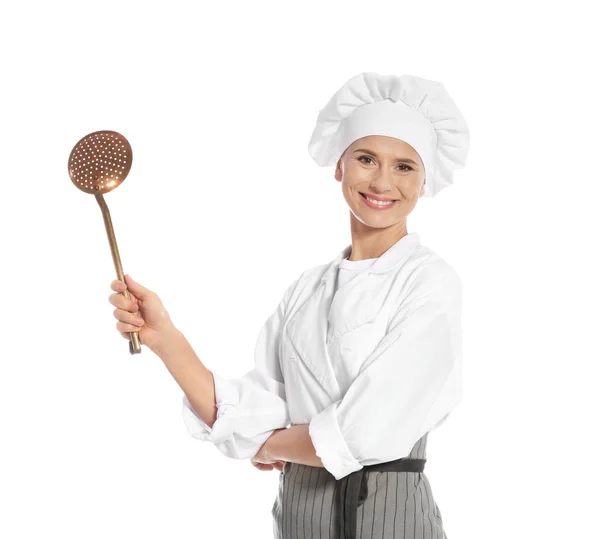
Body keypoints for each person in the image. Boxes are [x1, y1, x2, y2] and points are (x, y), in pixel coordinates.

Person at [107, 71, 470, 539]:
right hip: (298, 518)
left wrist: (262, 444)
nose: (383, 181)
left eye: (404, 166)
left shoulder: (429, 282)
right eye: (365, 158)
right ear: (339, 165)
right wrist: (166, 339)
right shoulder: (307, 289)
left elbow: (364, 434)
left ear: (424, 181)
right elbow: (248, 408)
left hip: (387, 521)